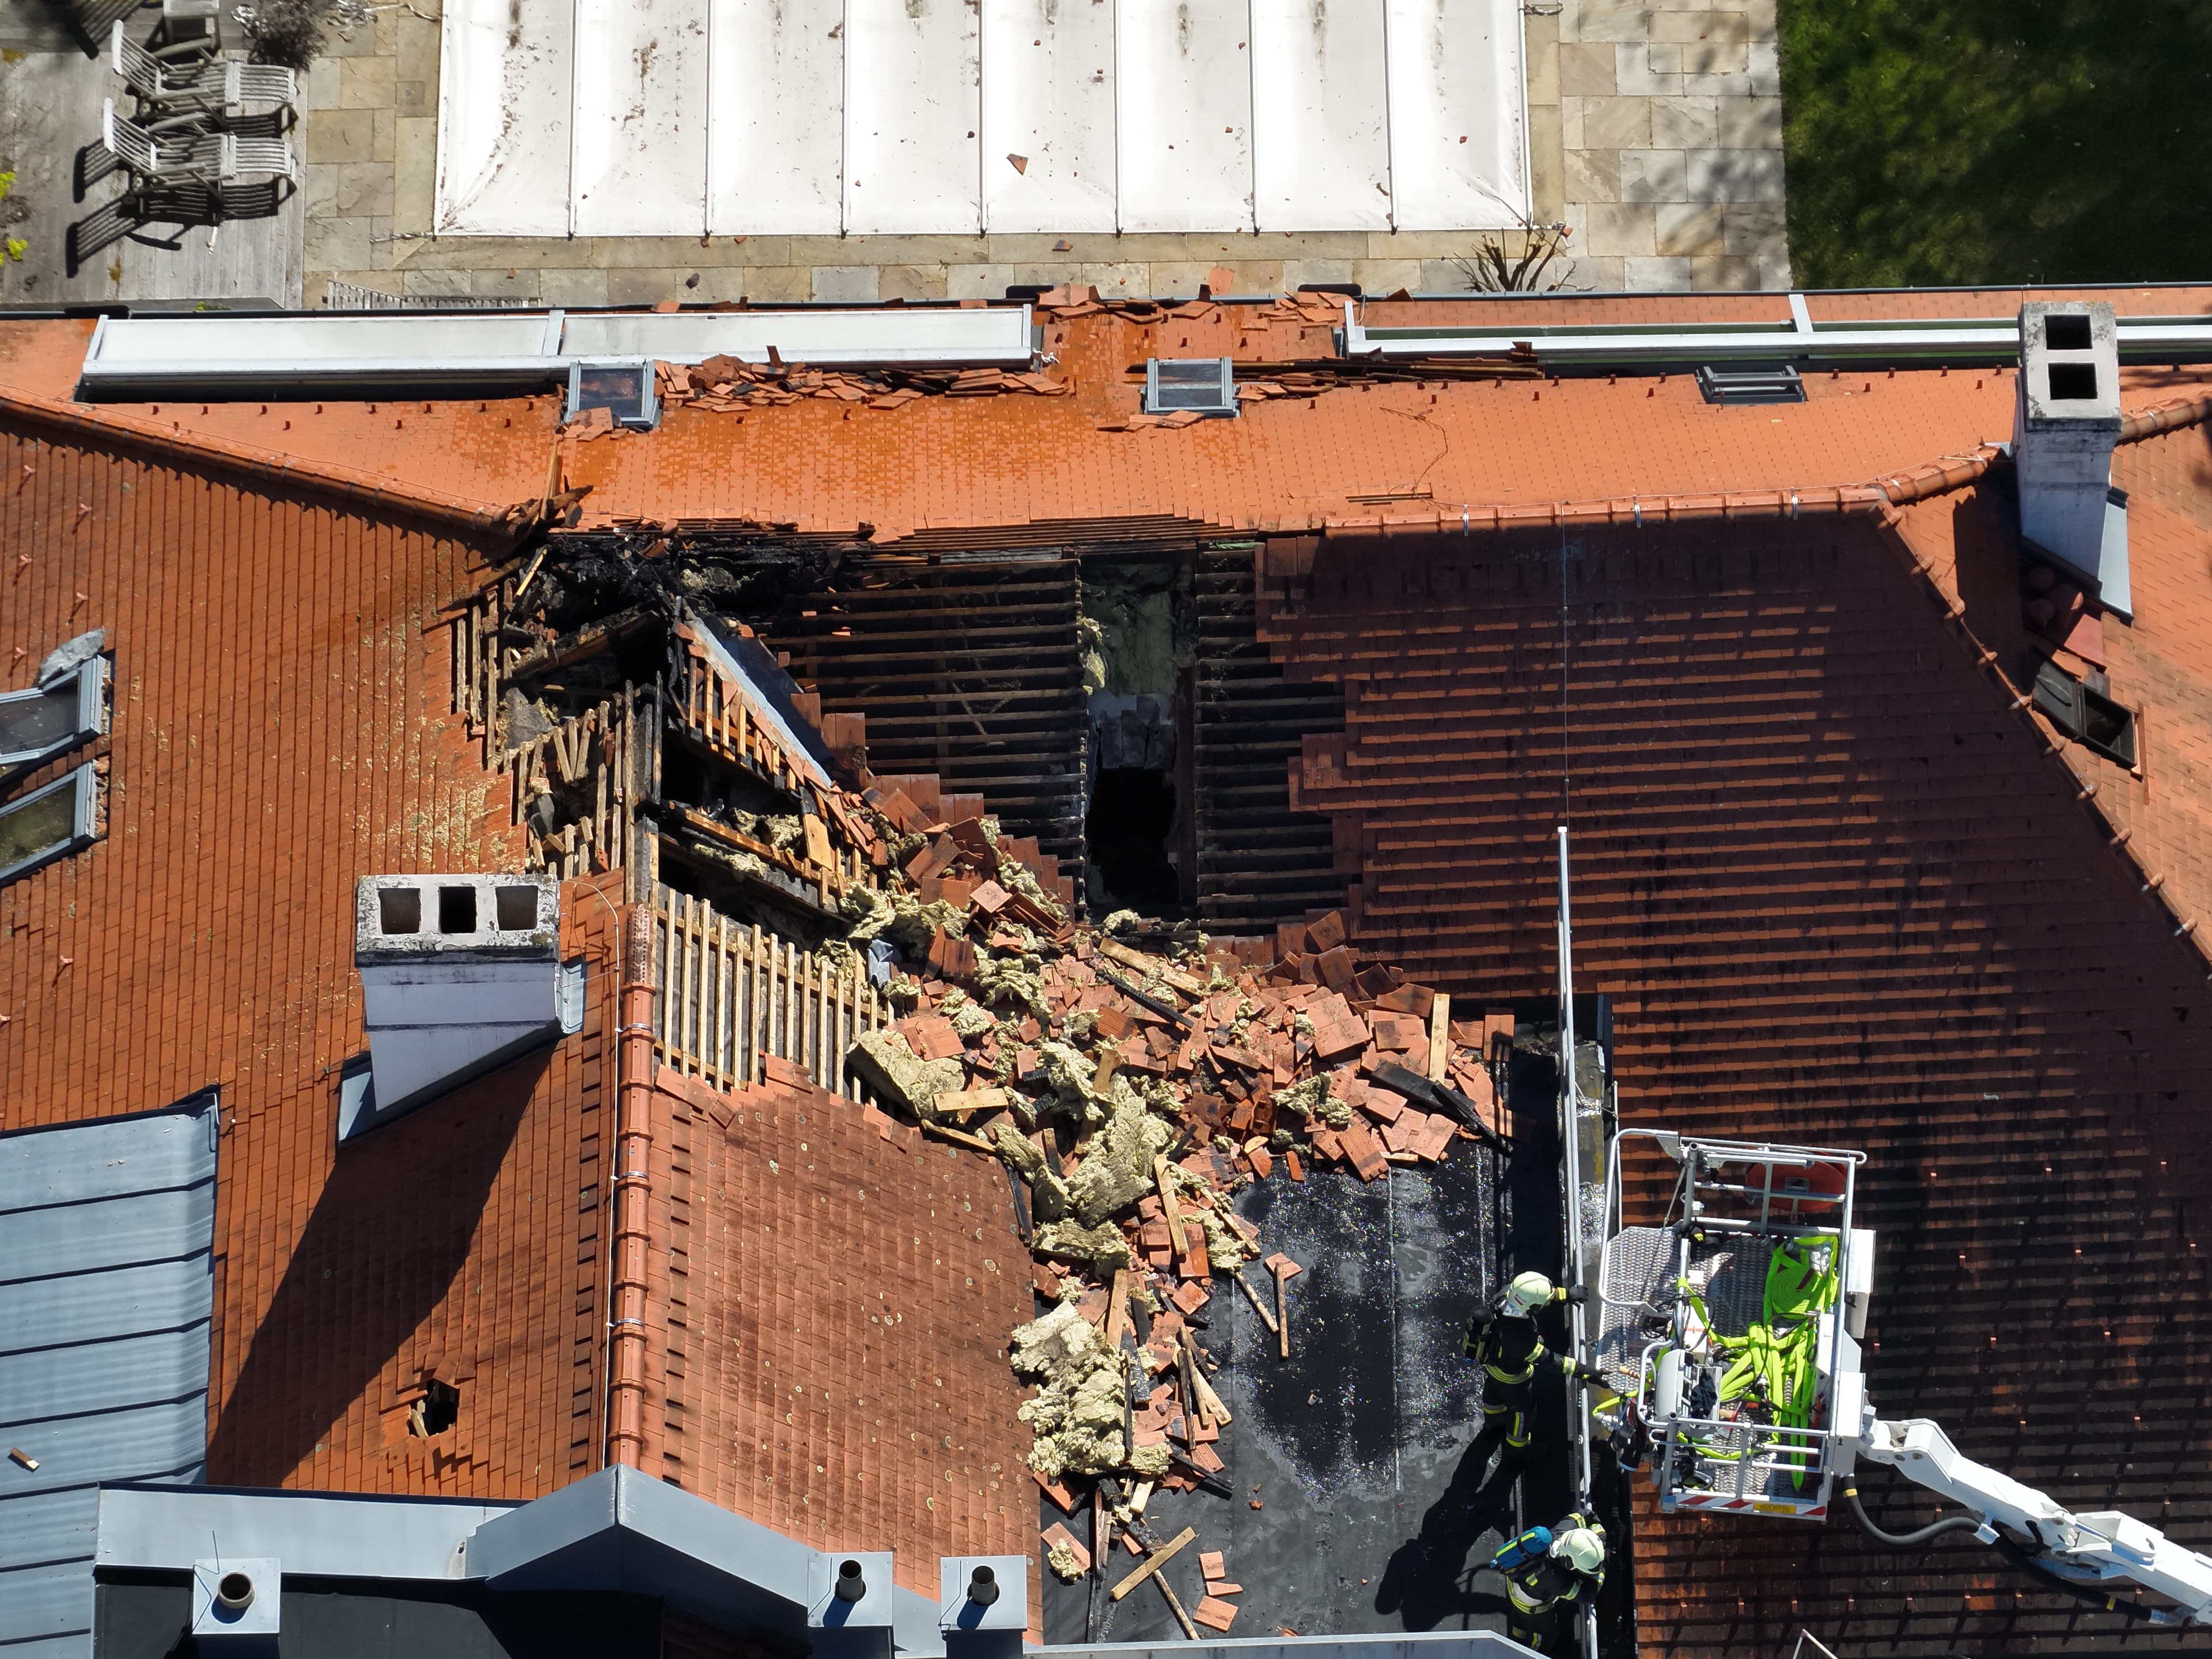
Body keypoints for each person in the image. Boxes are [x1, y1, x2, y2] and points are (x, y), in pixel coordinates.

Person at [1463, 1270, 1603, 1458]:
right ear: (1531, 1309)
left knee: (1493, 1397)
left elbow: (1538, 1298)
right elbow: (1548, 1360)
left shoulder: (1506, 1295)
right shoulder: (1518, 1337)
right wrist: (1580, 1369)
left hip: (1493, 1367)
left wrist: (1566, 1295)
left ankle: (1492, 1425)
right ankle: (1515, 1452)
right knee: (1522, 1413)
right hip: (1513, 1381)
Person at [1499, 1512, 1605, 1652]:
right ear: (1569, 1562)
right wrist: (1601, 1571)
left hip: (1516, 1581)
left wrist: (1598, 1538)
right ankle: (1531, 1653)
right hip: (1531, 1607)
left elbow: (1583, 1515)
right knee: (1545, 1635)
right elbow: (1587, 1595)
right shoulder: (1555, 1577)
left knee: (1520, 1617)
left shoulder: (1562, 1532)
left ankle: (1517, 1633)